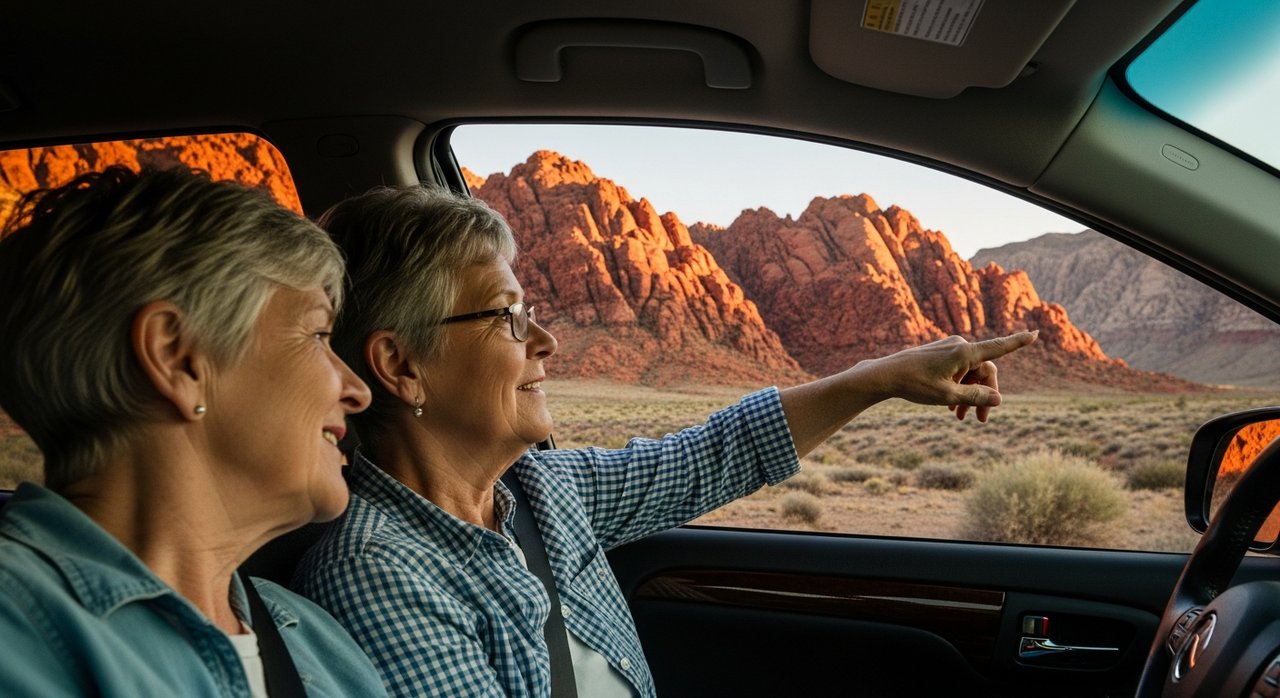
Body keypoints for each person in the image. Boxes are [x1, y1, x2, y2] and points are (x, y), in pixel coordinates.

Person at [293, 183, 1037, 697]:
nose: (546, 341)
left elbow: (717, 453)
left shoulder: (541, 491)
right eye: (508, 316)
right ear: (401, 366)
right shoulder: (376, 575)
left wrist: (879, 378)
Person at [0, 166, 388, 697]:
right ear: (177, 359)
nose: (357, 391)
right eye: (318, 334)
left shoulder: (313, 638)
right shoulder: (17, 636)